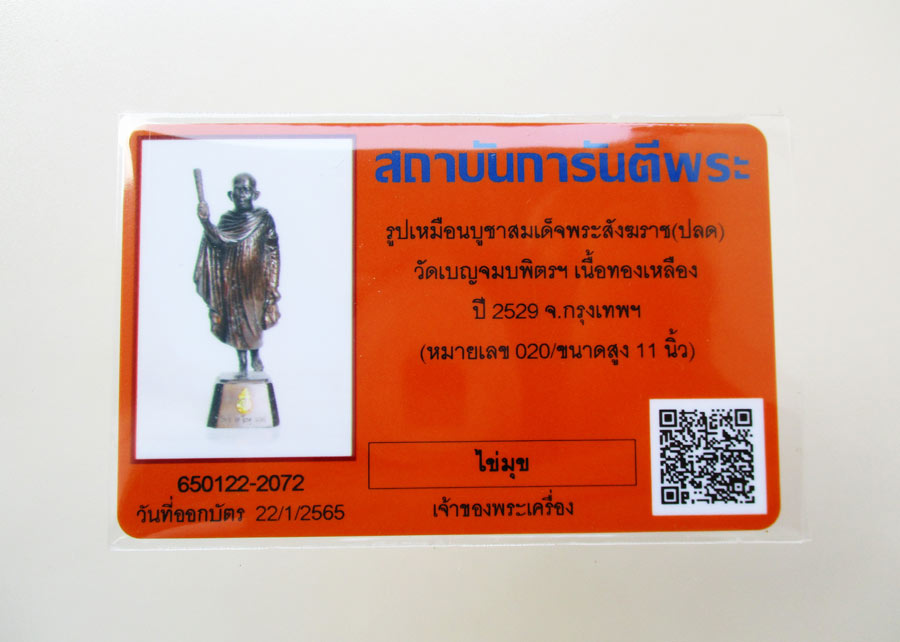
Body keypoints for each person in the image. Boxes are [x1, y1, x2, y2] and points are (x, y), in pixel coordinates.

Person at [193, 173, 280, 376]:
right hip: (232, 279)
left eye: (246, 190)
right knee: (236, 321)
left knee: (254, 319)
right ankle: (242, 363)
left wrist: (272, 283)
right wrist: (205, 221)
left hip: (256, 281)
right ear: (231, 195)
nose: (242, 195)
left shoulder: (263, 219)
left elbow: (273, 252)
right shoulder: (227, 220)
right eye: (238, 190)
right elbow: (217, 240)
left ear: (255, 194)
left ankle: (255, 355)